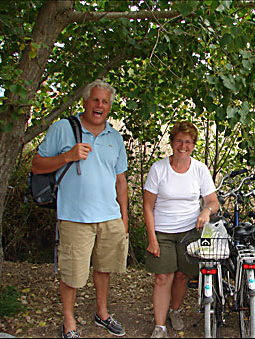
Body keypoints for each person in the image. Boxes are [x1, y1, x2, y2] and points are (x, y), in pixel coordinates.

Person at [31, 80, 129, 338]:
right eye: (95, 100)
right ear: (84, 102)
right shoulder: (63, 129)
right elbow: (37, 165)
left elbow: (120, 181)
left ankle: (102, 313)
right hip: (74, 217)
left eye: (105, 102)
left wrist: (124, 217)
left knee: (104, 268)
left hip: (109, 217)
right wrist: (68, 156)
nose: (100, 105)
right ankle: (69, 321)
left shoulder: (115, 137)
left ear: (109, 107)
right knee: (72, 274)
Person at [143, 121, 219, 338]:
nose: (183, 146)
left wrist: (206, 212)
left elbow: (213, 202)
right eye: (179, 141)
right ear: (172, 142)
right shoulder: (159, 169)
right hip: (163, 232)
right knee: (162, 277)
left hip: (190, 232)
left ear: (193, 145)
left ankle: (175, 311)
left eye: (188, 142)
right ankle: (160, 326)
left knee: (182, 276)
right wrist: (152, 238)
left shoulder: (199, 169)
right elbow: (147, 206)